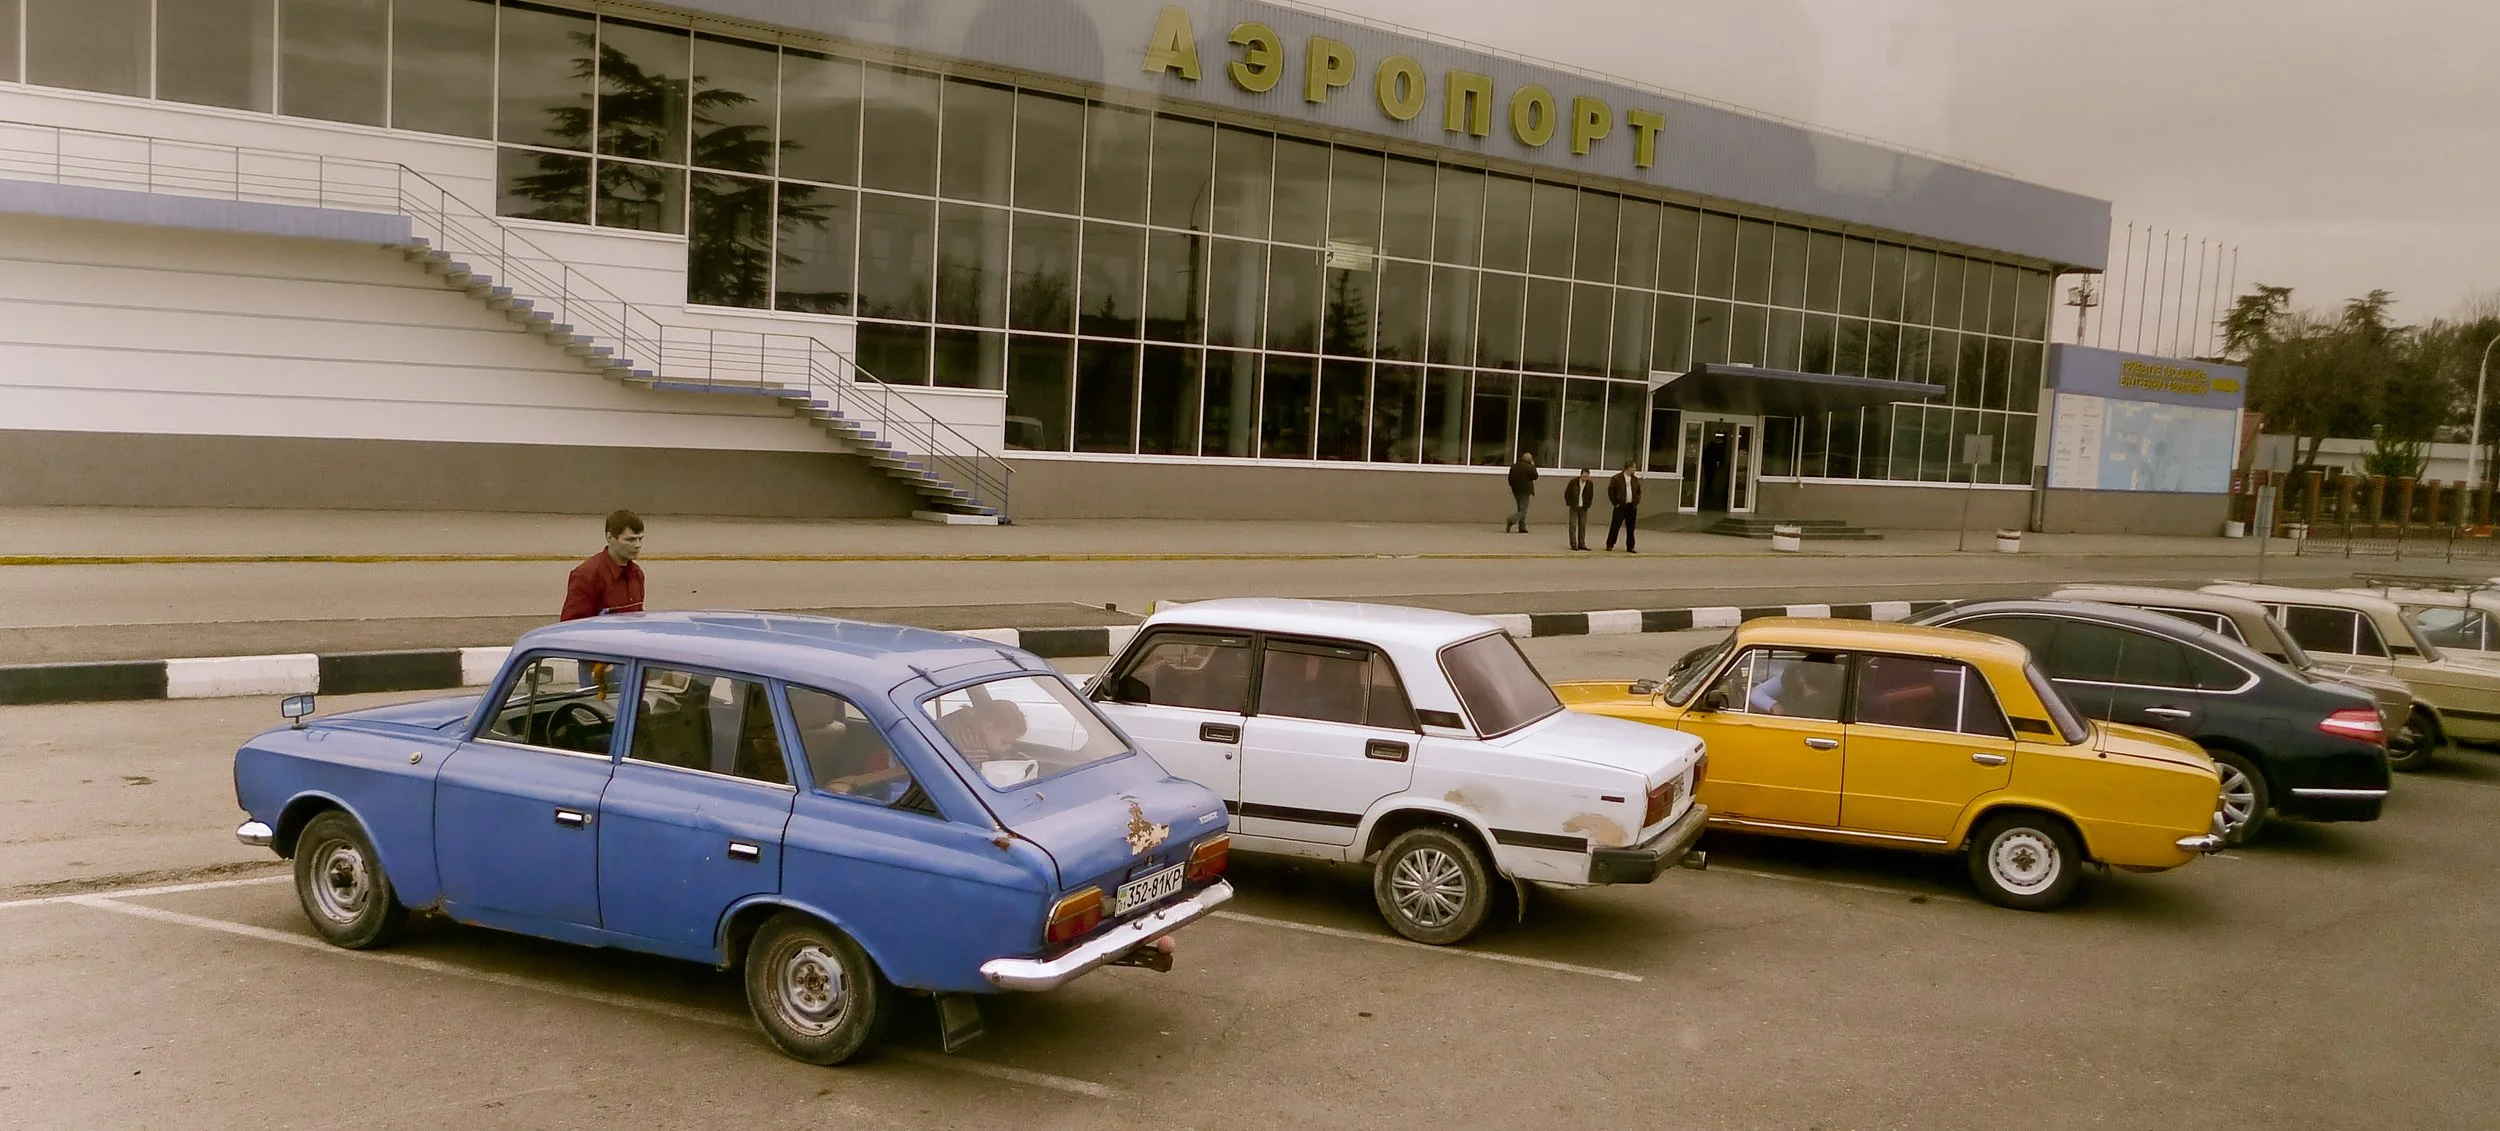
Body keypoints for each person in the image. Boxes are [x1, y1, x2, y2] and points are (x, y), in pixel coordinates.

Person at [561, 510, 647, 622]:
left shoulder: (637, 574)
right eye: (630, 540)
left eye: (640, 539)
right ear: (609, 537)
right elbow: (571, 624)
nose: (637, 545)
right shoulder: (586, 575)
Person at [1605, 462, 1643, 553]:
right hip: (1620, 505)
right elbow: (1611, 491)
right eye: (1634, 467)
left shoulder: (1635, 479)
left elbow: (1638, 491)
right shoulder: (1617, 478)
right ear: (1629, 468)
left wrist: (1636, 501)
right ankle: (1610, 544)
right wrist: (1615, 503)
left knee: (1631, 527)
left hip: (1631, 506)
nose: (1635, 469)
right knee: (1615, 525)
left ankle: (1630, 546)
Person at [1504, 451, 1539, 533]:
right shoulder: (1529, 467)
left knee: (1520, 509)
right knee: (1523, 511)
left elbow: (1510, 478)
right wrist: (1533, 465)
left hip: (1516, 491)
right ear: (1529, 460)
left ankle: (1522, 527)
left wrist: (1513, 487)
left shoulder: (1514, 467)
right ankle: (1511, 520)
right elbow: (1535, 476)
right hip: (1525, 491)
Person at [1563, 468, 1596, 551]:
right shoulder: (1573, 482)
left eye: (1587, 477)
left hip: (1583, 507)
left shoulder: (1590, 484)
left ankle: (1582, 544)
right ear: (1581, 475)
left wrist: (1588, 505)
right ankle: (1573, 544)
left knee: (1582, 525)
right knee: (1573, 525)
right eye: (1584, 476)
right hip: (1574, 506)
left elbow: (1590, 495)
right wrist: (1570, 503)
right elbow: (1567, 493)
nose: (1585, 478)